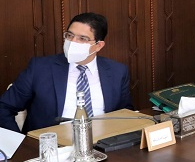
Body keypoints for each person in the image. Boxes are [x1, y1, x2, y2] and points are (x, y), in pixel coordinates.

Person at [0, 12, 133, 133]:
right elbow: (4, 107)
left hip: (103, 143)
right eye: (69, 35)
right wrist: (20, 144)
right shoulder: (40, 68)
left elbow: (126, 114)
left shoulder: (117, 71)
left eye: (82, 38)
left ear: (98, 46)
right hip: (52, 145)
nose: (72, 42)